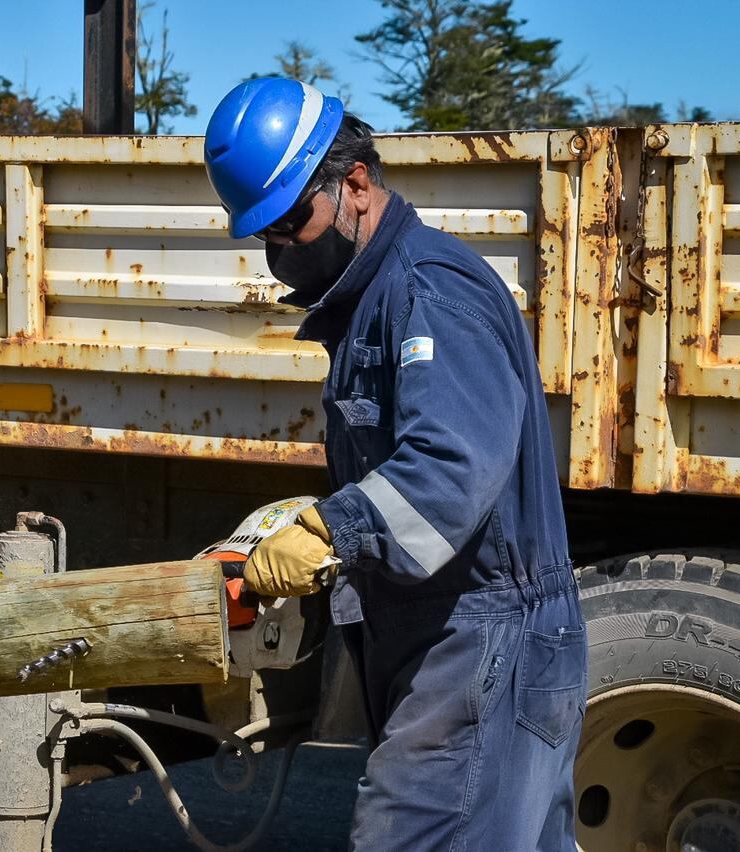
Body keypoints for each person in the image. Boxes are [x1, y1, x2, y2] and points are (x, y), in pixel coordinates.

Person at [204, 79, 587, 850]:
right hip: (449, 638)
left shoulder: (426, 293)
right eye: (263, 235)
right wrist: (297, 525)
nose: (279, 249)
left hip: (482, 640)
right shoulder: (373, 299)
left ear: (354, 183)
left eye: (290, 223)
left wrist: (330, 533)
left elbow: (450, 470)